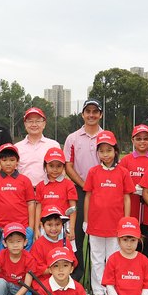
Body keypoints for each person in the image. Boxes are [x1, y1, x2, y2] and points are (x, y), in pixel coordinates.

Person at [83, 131, 135, 295]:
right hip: (96, 223)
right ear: (98, 153)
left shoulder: (123, 172)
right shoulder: (93, 172)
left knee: (113, 258)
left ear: (115, 151)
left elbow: (127, 197)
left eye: (109, 150)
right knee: (97, 258)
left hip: (116, 224)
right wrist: (86, 220)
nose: (105, 154)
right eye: (102, 151)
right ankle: (98, 290)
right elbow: (88, 197)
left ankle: (112, 289)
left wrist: (126, 222)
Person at [64, 99, 104, 279]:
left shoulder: (106, 136)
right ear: (82, 114)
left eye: (95, 111)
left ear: (100, 114)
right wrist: (84, 184)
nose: (91, 115)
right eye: (88, 111)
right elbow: (68, 166)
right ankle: (77, 275)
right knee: (78, 233)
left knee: (103, 234)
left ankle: (102, 277)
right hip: (79, 189)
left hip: (103, 190)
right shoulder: (73, 137)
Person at [0, 143, 36, 254]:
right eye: (4, 160)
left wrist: (30, 228)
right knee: (1, 263)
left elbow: (31, 204)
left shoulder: (25, 180)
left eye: (12, 160)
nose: (8, 163)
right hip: (0, 229)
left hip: (22, 228)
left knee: (23, 262)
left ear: (17, 162)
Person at [119, 124, 148, 256]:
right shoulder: (126, 160)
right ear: (133, 140)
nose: (142, 142)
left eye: (146, 138)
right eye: (139, 138)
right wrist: (132, 189)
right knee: (131, 244)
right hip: (132, 208)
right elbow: (120, 183)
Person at [28, 205, 70, 295]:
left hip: (62, 279)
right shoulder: (38, 244)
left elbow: (73, 263)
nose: (54, 228)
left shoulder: (65, 242)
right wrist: (56, 270)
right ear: (42, 226)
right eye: (49, 225)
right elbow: (36, 268)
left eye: (57, 224)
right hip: (44, 282)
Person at [34, 147, 77, 241]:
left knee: (64, 253)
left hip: (64, 226)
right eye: (51, 166)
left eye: (59, 166)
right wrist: (37, 228)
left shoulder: (68, 184)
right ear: (45, 166)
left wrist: (72, 229)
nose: (55, 169)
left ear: (63, 167)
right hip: (45, 226)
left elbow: (72, 208)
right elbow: (38, 207)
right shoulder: (40, 186)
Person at [14, 107, 61, 187]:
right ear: (25, 124)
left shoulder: (53, 145)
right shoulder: (17, 147)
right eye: (30, 121)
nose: (34, 124)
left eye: (38, 121)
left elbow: (61, 170)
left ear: (44, 124)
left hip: (47, 192)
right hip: (23, 192)